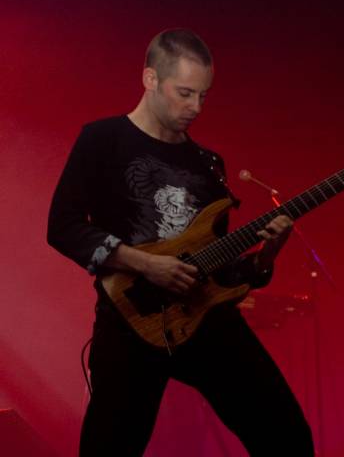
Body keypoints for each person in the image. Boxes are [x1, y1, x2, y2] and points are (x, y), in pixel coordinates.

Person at [48, 28, 315, 457]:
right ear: (150, 79)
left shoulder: (208, 164)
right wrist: (145, 264)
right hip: (131, 321)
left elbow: (220, 267)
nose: (196, 108)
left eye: (203, 96)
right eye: (185, 93)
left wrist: (268, 253)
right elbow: (63, 226)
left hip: (207, 319)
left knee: (288, 437)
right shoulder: (102, 140)